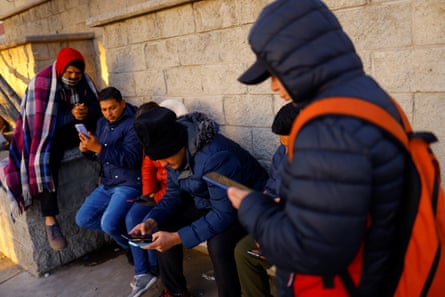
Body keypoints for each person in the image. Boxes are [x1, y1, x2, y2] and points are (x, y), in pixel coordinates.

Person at [228, 0, 407, 296]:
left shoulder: (326, 128)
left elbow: (311, 252)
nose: (273, 87)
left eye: (275, 72)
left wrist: (253, 209)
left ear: (300, 61)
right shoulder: (370, 100)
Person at [130, 107, 269, 297]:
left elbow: (224, 214)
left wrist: (177, 238)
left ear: (178, 146)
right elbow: (173, 195)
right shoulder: (173, 155)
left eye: (166, 160)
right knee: (163, 225)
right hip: (207, 201)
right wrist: (150, 221)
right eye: (159, 161)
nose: (163, 165)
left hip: (245, 205)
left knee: (218, 243)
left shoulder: (215, 157)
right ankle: (176, 292)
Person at [3, 47, 100, 250]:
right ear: (61, 69)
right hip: (46, 132)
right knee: (45, 158)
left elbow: (96, 106)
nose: (73, 77)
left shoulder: (84, 82)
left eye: (77, 73)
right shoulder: (41, 83)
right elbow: (41, 123)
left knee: (101, 134)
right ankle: (50, 220)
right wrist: (71, 115)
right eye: (69, 73)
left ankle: (106, 177)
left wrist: (84, 112)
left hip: (73, 127)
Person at [234, 102, 300, 297]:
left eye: (293, 146)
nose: (287, 152)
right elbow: (271, 189)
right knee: (243, 252)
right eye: (283, 145)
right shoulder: (282, 153)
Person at [125, 99, 188, 297]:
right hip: (160, 194)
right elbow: (148, 167)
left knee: (162, 225)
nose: (162, 162)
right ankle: (145, 271)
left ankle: (156, 267)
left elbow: (177, 187)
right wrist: (149, 192)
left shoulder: (175, 142)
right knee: (136, 219)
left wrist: (158, 197)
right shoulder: (152, 145)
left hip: (176, 197)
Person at [75, 87, 144, 264]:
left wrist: (98, 148)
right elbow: (98, 154)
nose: (108, 113)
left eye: (112, 108)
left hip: (129, 183)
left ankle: (138, 251)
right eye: (104, 109)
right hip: (107, 184)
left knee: (108, 224)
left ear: (122, 104)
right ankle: (131, 245)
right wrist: (87, 149)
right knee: (83, 218)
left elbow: (130, 159)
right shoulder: (101, 123)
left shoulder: (132, 124)